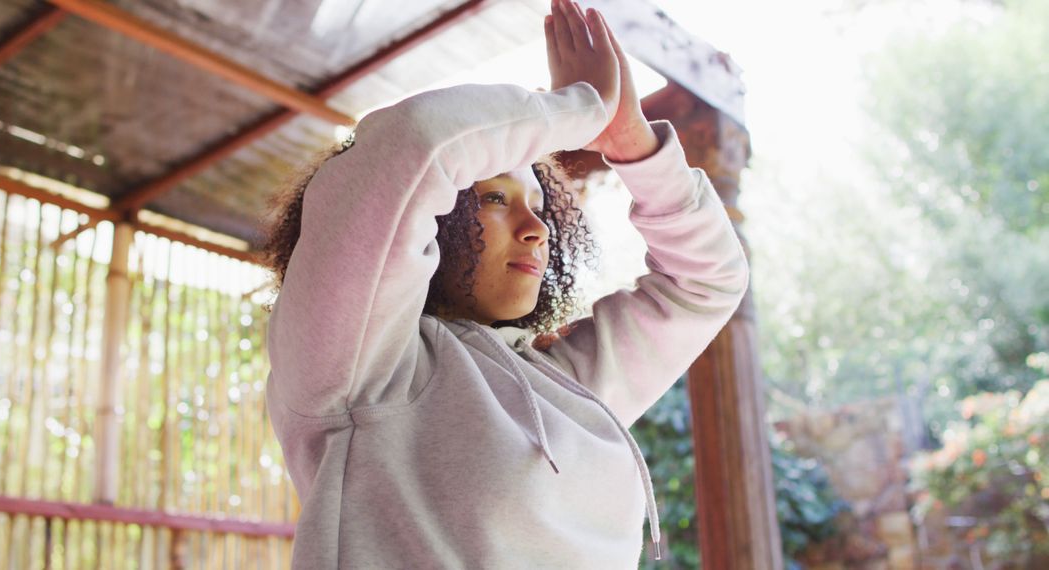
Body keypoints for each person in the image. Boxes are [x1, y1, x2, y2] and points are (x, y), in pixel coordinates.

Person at [261, 0, 749, 567]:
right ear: (436, 215)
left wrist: (634, 147)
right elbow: (411, 145)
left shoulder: (565, 384)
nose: (536, 228)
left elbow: (708, 284)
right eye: (495, 199)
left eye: (541, 206)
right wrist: (579, 110)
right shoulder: (355, 366)